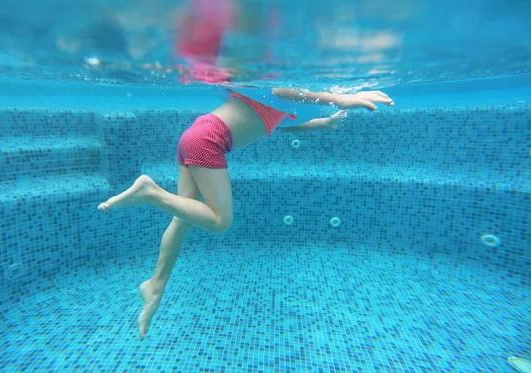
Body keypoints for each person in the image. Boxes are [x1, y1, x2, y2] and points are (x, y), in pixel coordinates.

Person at [98, 86, 395, 338]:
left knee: (185, 216)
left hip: (195, 133)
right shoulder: (275, 89)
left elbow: (283, 123)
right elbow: (281, 91)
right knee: (219, 221)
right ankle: (151, 193)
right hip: (210, 140)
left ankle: (155, 285)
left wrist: (324, 123)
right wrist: (338, 99)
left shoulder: (275, 107)